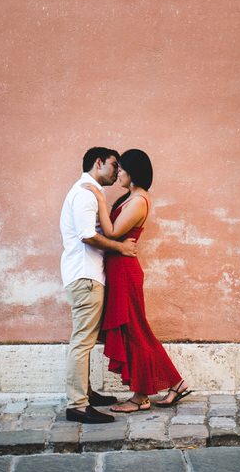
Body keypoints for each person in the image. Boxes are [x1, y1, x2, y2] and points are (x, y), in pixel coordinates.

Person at [84, 148, 191, 412]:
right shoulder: (129, 197)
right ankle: (168, 386)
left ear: (132, 173)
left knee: (135, 330)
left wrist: (98, 199)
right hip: (118, 269)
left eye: (121, 169)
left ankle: (144, 395)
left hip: (125, 271)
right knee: (134, 330)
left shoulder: (139, 200)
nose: (117, 173)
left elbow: (112, 232)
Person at [59, 147, 139, 424]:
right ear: (98, 162)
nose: (118, 171)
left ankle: (87, 394)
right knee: (82, 341)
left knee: (87, 339)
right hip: (85, 276)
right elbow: (87, 235)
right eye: (114, 165)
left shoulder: (90, 192)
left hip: (87, 275)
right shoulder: (85, 192)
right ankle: (77, 405)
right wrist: (120, 247)